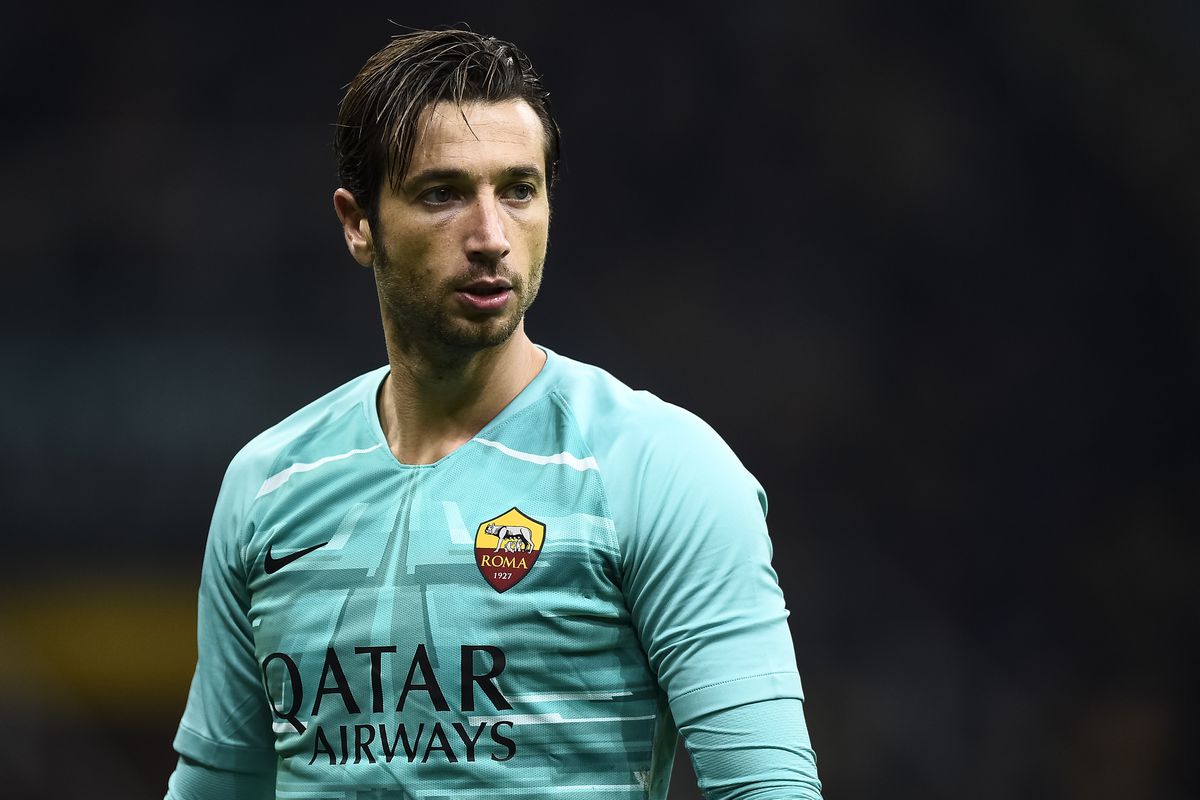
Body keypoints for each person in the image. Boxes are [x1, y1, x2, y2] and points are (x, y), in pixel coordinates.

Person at [165, 28, 823, 800]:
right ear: (358, 222)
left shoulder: (660, 468)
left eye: (517, 190)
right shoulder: (267, 485)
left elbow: (768, 788)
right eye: (442, 193)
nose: (490, 237)